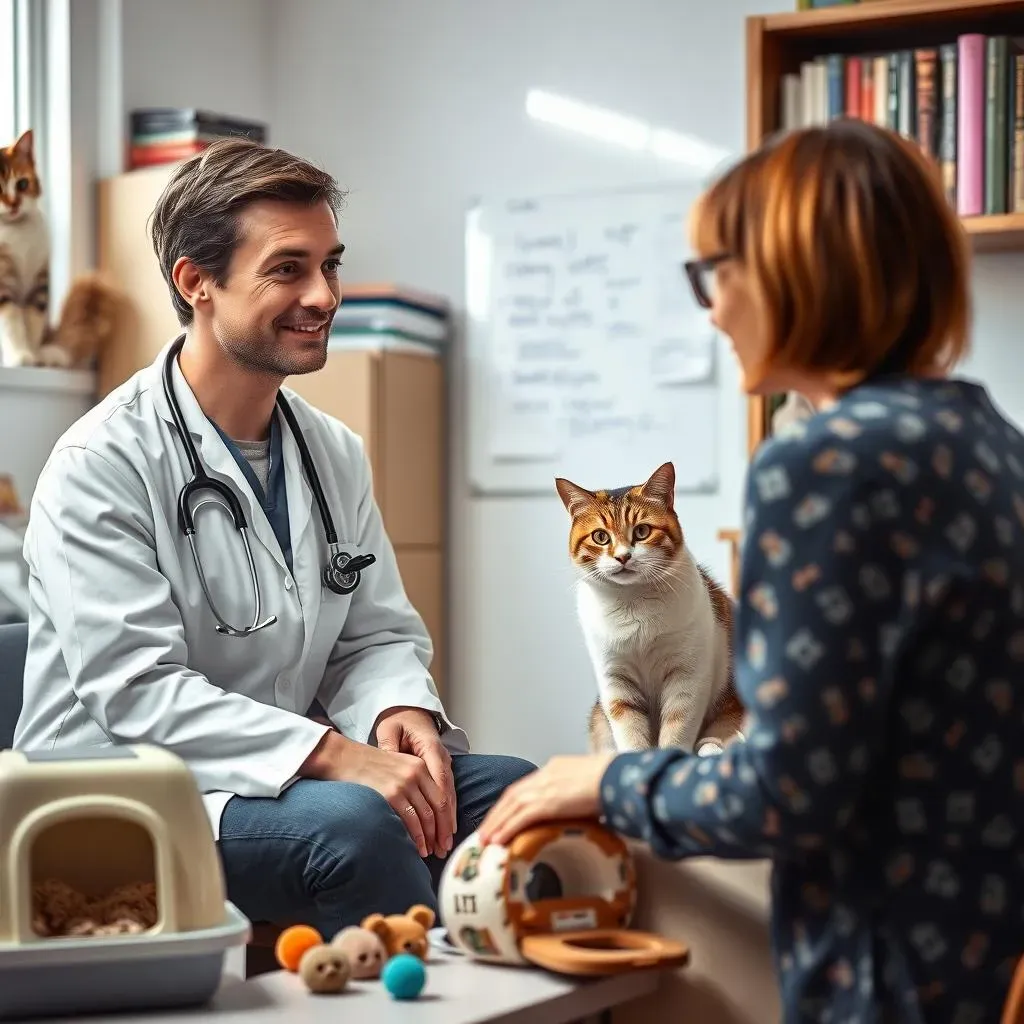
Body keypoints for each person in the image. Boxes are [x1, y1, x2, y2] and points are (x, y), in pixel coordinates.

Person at [479, 119, 1024, 1023]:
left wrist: (605, 780)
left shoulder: (824, 462)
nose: (712, 310)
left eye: (714, 275)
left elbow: (787, 792)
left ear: (792, 271)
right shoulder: (990, 442)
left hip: (885, 969)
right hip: (983, 932)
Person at [14, 137, 533, 935]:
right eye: (289, 268)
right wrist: (335, 756)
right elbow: (134, 691)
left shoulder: (332, 450)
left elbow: (375, 635)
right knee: (358, 830)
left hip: (276, 777)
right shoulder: (101, 462)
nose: (325, 295)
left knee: (513, 797)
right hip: (124, 798)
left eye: (330, 265)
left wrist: (401, 712)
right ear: (198, 284)